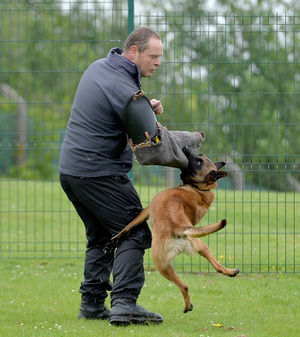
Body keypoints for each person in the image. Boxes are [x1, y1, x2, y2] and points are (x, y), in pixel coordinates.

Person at [58, 27, 164, 325]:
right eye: (153, 56)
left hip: (71, 171)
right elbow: (151, 138)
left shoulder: (100, 68)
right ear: (133, 52)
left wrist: (144, 107)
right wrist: (150, 114)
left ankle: (92, 304)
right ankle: (125, 303)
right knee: (135, 230)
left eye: (160, 57)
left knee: (103, 236)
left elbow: (124, 109)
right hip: (99, 172)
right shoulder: (124, 87)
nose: (158, 62)